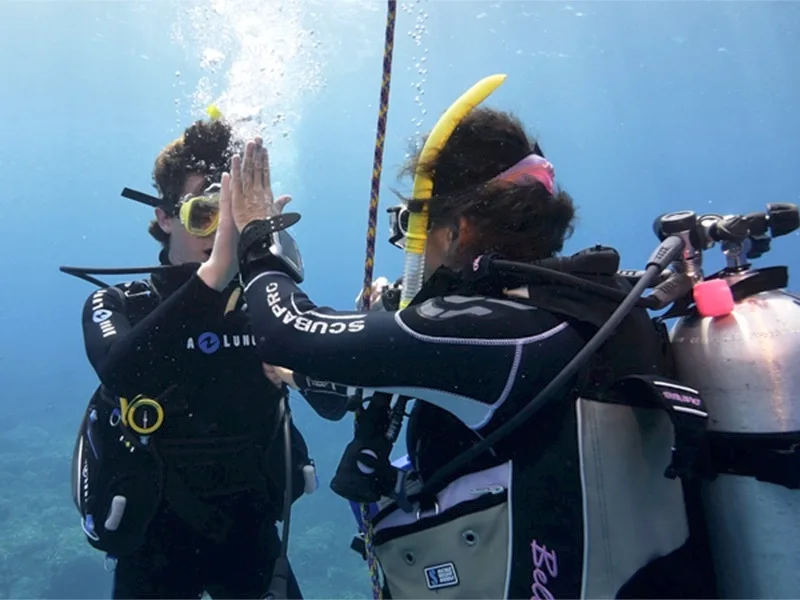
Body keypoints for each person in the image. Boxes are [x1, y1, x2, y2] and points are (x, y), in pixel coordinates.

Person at [194, 90, 716, 597]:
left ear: (457, 228)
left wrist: (257, 238)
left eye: (414, 228)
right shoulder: (586, 310)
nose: (411, 252)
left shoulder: (488, 331)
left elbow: (289, 334)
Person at [73, 118, 311, 599]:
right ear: (164, 217)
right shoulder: (121, 303)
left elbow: (335, 401)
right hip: (153, 540)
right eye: (206, 214)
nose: (222, 231)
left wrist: (370, 324)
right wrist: (216, 273)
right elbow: (121, 372)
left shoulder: (266, 305)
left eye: (235, 217)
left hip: (251, 535)